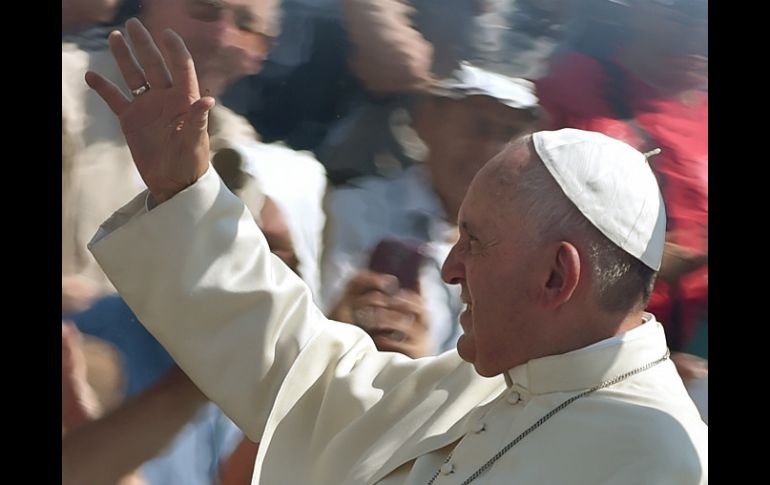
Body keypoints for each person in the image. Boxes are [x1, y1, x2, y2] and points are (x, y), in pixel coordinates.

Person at [86, 19, 707, 484]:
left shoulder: (654, 456)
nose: (450, 268)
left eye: (476, 244)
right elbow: (308, 376)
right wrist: (183, 190)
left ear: (555, 276)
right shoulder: (497, 377)